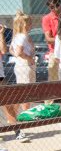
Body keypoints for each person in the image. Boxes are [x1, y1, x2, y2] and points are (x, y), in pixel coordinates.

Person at [8, 11, 36, 143]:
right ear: (24, 24)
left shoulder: (17, 36)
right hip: (25, 67)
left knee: (23, 94)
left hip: (23, 67)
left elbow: (11, 51)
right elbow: (18, 52)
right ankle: (23, 121)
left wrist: (22, 57)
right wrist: (29, 58)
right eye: (29, 22)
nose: (31, 24)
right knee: (24, 95)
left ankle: (16, 119)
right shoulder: (22, 36)